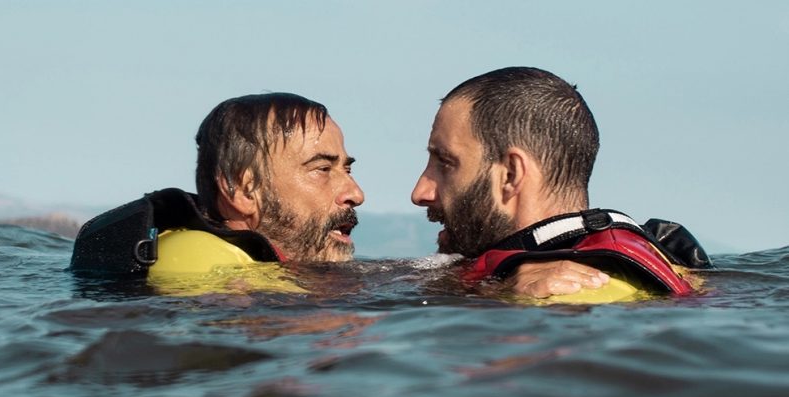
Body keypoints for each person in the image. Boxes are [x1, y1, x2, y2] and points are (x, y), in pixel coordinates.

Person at [411, 67, 711, 302]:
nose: (420, 193)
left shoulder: (568, 296)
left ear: (511, 175)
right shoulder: (513, 280)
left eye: (446, 163)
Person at [70, 93, 364, 280]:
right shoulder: (204, 266)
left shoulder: (259, 270)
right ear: (243, 190)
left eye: (347, 169)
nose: (356, 194)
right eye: (322, 169)